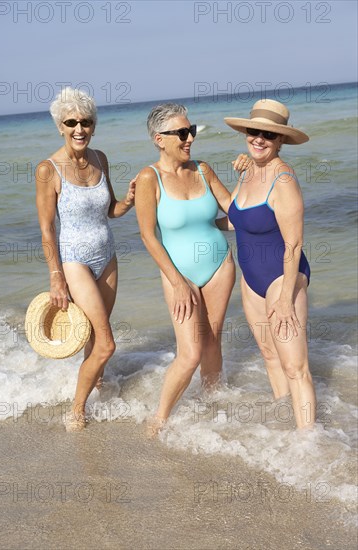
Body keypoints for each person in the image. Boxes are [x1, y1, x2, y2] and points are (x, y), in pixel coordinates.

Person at [135, 103, 248, 437]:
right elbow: (148, 236)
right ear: (159, 139)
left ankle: (212, 405)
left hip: (218, 266)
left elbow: (236, 215)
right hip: (177, 274)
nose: (189, 139)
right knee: (190, 352)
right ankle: (159, 419)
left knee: (212, 342)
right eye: (182, 133)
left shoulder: (203, 169)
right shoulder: (148, 178)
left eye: (191, 131)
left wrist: (248, 173)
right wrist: (178, 282)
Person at [35, 87, 136, 431]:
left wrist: (130, 200)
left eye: (86, 122)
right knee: (107, 343)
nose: (79, 128)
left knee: (95, 336)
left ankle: (98, 385)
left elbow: (110, 210)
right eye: (71, 122)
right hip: (75, 261)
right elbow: (47, 229)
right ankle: (76, 409)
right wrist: (56, 276)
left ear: (93, 125)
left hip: (106, 255)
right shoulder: (48, 170)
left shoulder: (100, 159)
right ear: (60, 127)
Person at [222, 99, 316, 429]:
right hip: (251, 280)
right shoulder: (248, 171)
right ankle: (284, 426)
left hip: (281, 277)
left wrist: (286, 296)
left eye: (268, 135)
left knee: (296, 367)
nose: (259, 139)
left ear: (280, 141)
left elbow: (293, 244)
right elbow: (235, 220)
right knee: (271, 356)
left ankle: (309, 445)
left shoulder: (284, 180)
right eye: (254, 132)